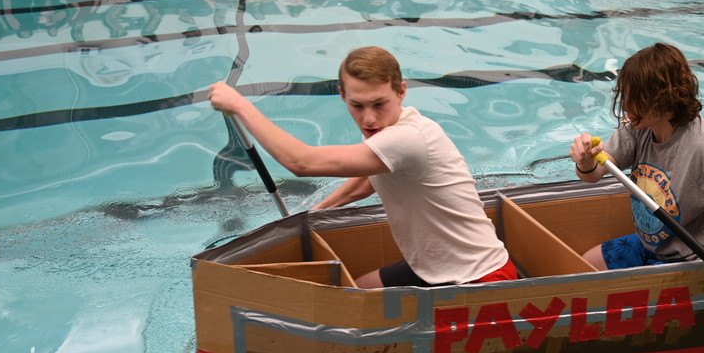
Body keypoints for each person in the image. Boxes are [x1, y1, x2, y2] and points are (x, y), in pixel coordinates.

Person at [208, 46, 516, 289]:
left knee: (353, 313)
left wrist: (240, 105)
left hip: (479, 277)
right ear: (342, 96)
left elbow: (300, 162)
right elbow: (370, 177)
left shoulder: (408, 137)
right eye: (357, 106)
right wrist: (320, 210)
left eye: (379, 103)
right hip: (431, 266)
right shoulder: (387, 129)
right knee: (352, 290)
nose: (369, 119)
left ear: (401, 92)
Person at [569, 42, 704, 293]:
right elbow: (595, 173)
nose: (626, 106)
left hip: (703, 261)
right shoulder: (639, 127)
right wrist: (585, 162)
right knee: (584, 268)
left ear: (662, 98)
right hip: (657, 246)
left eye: (634, 98)